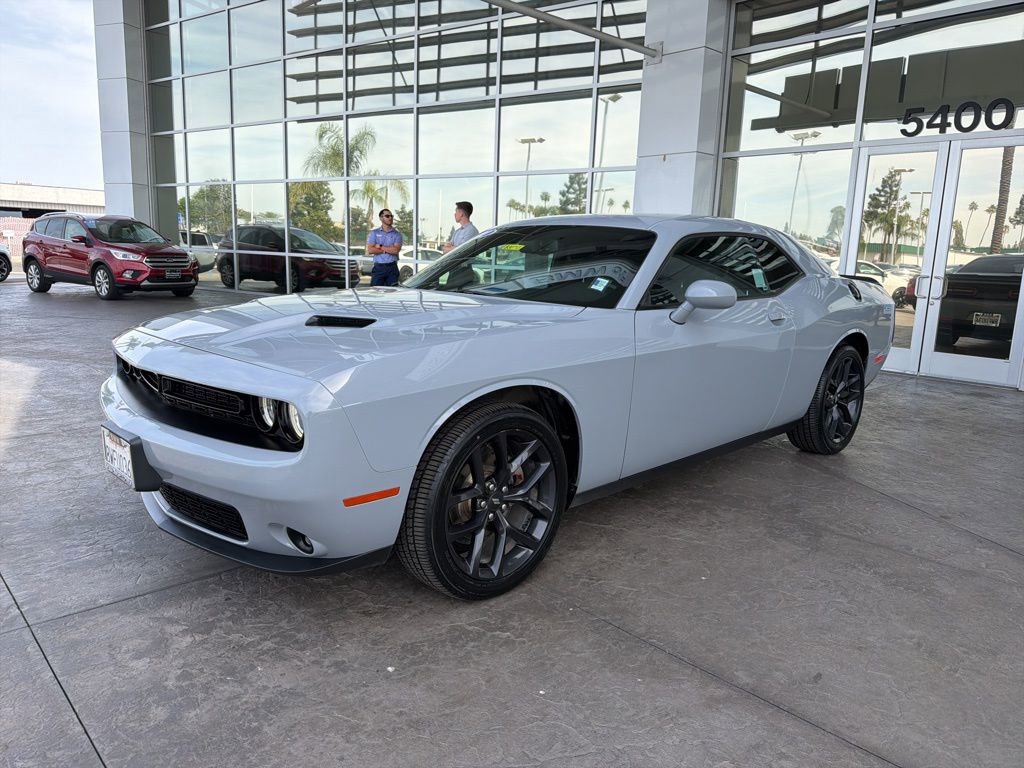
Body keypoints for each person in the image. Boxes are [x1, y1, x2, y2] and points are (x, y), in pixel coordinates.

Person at [367, 208, 403, 286]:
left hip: (392, 268)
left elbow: (395, 251)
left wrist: (380, 246)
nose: (390, 218)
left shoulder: (397, 234)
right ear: (381, 218)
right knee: (375, 293)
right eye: (387, 216)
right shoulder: (374, 233)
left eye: (391, 216)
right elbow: (370, 250)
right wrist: (387, 250)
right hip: (378, 268)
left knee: (392, 294)